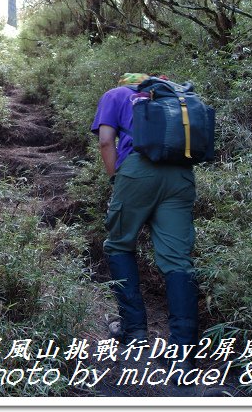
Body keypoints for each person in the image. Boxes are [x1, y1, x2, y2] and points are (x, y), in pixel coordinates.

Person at [91, 72, 199, 370]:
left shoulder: (115, 95)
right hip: (180, 175)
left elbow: (105, 142)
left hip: (137, 171)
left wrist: (117, 179)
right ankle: (183, 353)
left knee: (119, 244)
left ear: (125, 81)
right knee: (178, 261)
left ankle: (134, 331)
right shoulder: (172, 97)